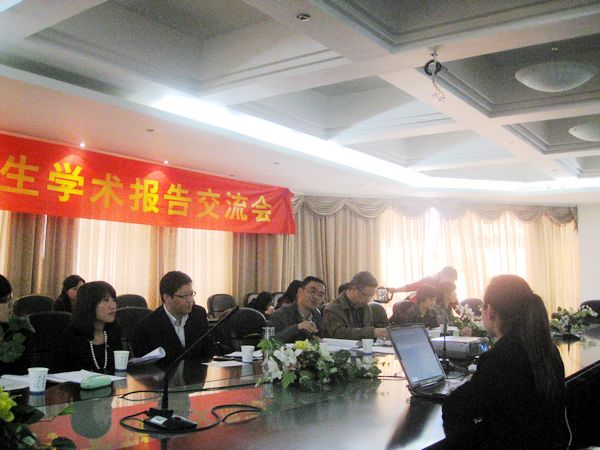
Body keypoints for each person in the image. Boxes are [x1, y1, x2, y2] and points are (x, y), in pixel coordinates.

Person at [441, 275, 566, 449]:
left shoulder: (499, 358)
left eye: (482, 307)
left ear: (491, 311)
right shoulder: (548, 349)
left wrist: (471, 386)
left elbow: (453, 409)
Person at [131, 271, 213, 366]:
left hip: (196, 373)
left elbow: (208, 350)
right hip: (164, 374)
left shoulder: (198, 314)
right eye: (184, 296)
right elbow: (143, 367)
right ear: (167, 298)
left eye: (191, 294)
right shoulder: (146, 327)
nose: (191, 300)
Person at [53, 281, 122, 373]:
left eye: (114, 300)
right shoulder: (71, 336)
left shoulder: (113, 332)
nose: (113, 306)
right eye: (105, 300)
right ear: (89, 304)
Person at [323, 271, 388, 340]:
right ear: (353, 289)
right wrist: (372, 332)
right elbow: (338, 334)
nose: (368, 300)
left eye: (371, 296)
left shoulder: (365, 306)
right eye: (365, 295)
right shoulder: (333, 308)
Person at [268, 276, 326, 342]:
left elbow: (322, 337)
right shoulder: (280, 314)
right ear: (300, 292)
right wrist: (298, 327)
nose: (316, 297)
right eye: (312, 291)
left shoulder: (317, 315)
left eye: (320, 295)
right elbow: (270, 341)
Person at [389, 267, 458, 302]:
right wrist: (395, 290)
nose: (451, 284)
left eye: (453, 281)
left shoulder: (449, 289)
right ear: (442, 275)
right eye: (450, 279)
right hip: (412, 304)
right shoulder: (430, 281)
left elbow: (457, 307)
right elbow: (411, 287)